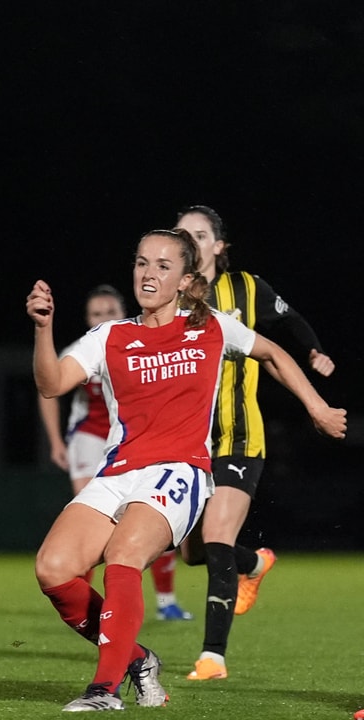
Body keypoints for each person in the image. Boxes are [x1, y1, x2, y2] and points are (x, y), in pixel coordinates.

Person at [26, 228, 346, 712]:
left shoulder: (211, 326)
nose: (148, 274)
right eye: (141, 263)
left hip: (180, 469)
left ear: (183, 279)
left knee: (124, 556)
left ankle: (104, 690)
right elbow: (51, 384)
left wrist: (318, 409)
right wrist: (43, 328)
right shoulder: (110, 336)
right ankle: (137, 660)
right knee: (53, 570)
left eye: (161, 266)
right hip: (118, 471)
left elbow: (273, 353)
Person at [175, 204, 337, 681]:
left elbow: (289, 320)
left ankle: (212, 657)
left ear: (219, 246)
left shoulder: (246, 288)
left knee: (217, 537)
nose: (191, 242)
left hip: (241, 435)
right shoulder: (169, 296)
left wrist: (314, 350)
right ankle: (255, 563)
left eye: (200, 235)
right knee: (192, 549)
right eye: (182, 235)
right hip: (189, 441)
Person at [39, 284, 194, 621]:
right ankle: (84, 595)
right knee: (90, 516)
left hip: (135, 441)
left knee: (151, 515)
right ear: (87, 319)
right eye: (96, 314)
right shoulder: (86, 347)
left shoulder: (149, 347)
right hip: (89, 438)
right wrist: (55, 441)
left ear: (124, 312)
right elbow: (47, 390)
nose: (104, 318)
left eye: (110, 312)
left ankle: (165, 600)